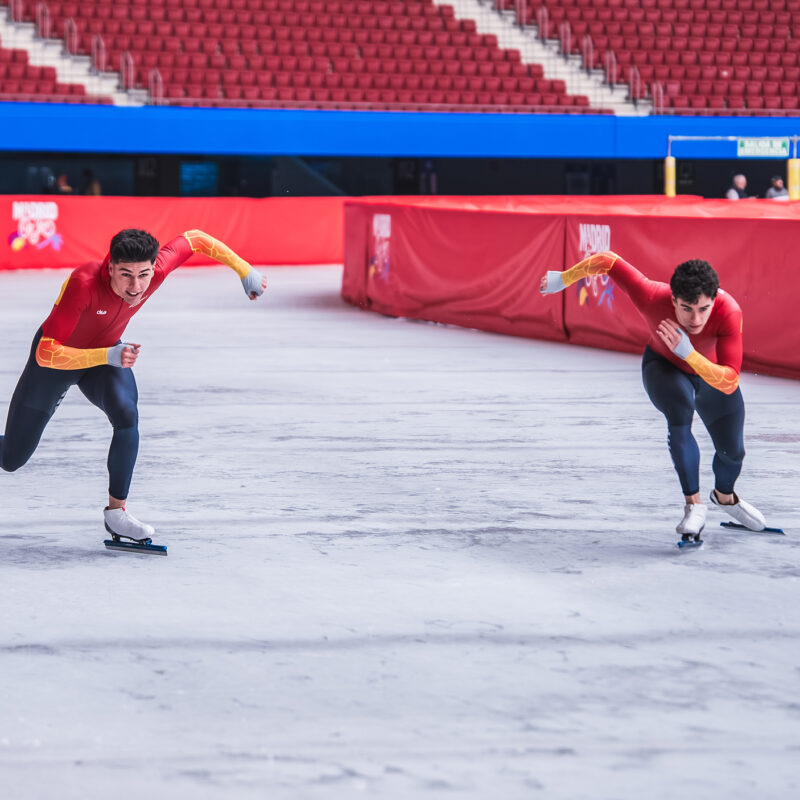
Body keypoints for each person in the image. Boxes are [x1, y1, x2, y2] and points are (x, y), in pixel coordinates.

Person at [0, 229, 267, 543]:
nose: (136, 286)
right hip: (59, 361)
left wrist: (244, 269)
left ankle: (117, 513)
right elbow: (46, 353)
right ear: (110, 267)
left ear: (154, 267)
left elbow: (196, 239)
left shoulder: (157, 271)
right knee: (12, 458)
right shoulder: (84, 283)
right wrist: (106, 355)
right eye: (126, 274)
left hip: (107, 357)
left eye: (144, 274)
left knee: (127, 415)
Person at [540, 252, 766, 542]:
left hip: (710, 376)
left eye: (704, 309)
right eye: (686, 309)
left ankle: (725, 498)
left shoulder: (728, 311)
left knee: (733, 452)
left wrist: (690, 354)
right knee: (680, 414)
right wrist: (563, 278)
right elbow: (607, 262)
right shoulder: (651, 296)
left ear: (714, 301)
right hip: (665, 368)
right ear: (672, 300)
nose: (695, 319)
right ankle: (694, 504)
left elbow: (729, 379)